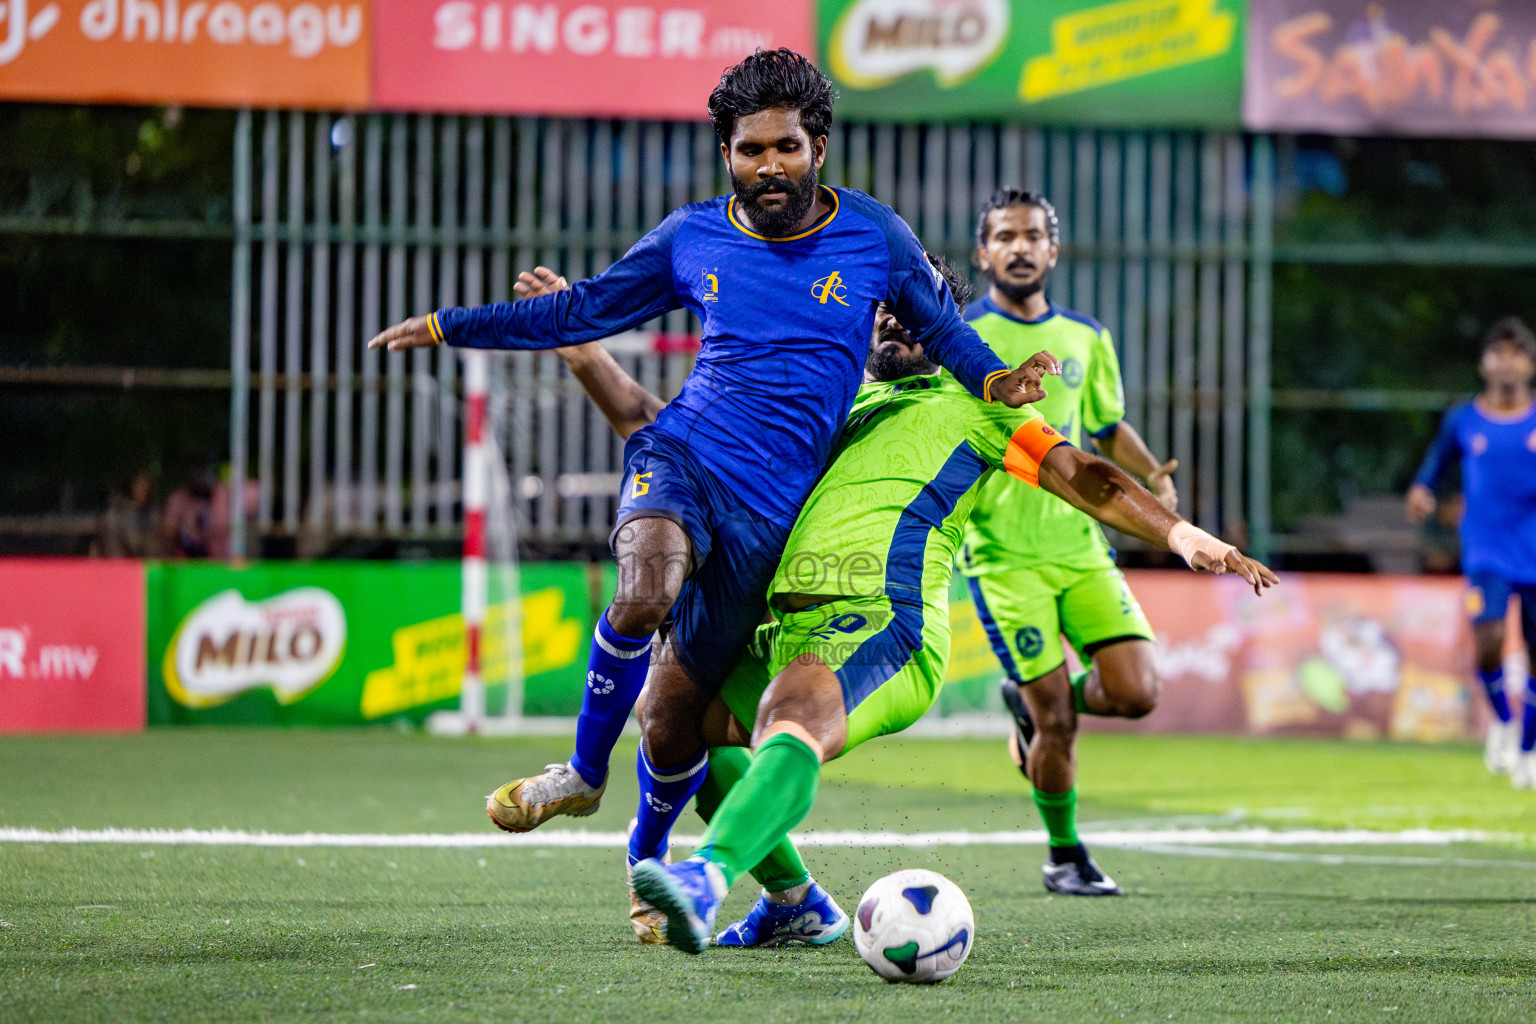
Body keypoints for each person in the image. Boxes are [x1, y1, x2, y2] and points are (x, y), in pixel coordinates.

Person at [367, 50, 1043, 871]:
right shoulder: (692, 235)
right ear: (726, 153)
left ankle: (646, 867)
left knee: (674, 715)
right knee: (645, 586)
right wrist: (450, 326)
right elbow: (583, 309)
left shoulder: (874, 235)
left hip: (769, 518)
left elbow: (943, 332)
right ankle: (582, 771)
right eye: (750, 149)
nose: (768, 166)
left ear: (817, 149)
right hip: (684, 452)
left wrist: (999, 379)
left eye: (785, 148)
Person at [624, 261, 1278, 956]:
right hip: (786, 626)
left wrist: (1181, 535)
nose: (896, 314)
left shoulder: (980, 404)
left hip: (884, 621)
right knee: (683, 724)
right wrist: (585, 359)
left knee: (794, 713)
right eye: (883, 302)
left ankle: (706, 876)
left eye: (916, 302)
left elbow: (1081, 472)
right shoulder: (829, 405)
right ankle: (794, 905)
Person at [959, 188, 1182, 895]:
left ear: (1053, 251)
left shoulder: (1087, 338)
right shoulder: (961, 339)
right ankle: (1064, 856)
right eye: (1005, 236)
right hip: (1001, 556)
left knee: (1138, 692)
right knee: (1055, 716)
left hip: (1082, 548)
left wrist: (1149, 474)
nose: (1019, 247)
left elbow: (1106, 426)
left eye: (1032, 236)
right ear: (983, 252)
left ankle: (1025, 704)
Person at [1407, 317, 1536, 788]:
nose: (1507, 363)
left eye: (1516, 353)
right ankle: (1503, 719)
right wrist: (1422, 491)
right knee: (1489, 642)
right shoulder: (1464, 419)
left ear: (1530, 363)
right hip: (1486, 549)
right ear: (1484, 364)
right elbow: (1433, 467)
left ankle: (1528, 749)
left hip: (1535, 547)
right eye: (1498, 353)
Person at [96, 471, 162, 558]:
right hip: (120, 558)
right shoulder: (116, 511)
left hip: (147, 559)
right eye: (139, 486)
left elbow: (157, 539)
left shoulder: (153, 510)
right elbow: (111, 541)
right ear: (131, 486)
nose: (143, 490)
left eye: (145, 486)